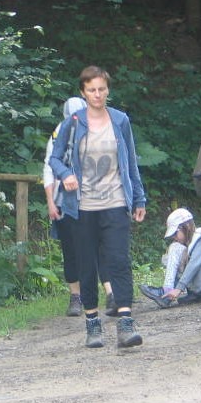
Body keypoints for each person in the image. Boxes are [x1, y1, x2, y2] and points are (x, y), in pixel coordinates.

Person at [49, 66, 147, 348]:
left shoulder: (120, 120)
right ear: (83, 92)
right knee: (87, 265)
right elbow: (54, 159)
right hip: (81, 207)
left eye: (102, 89)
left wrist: (139, 198)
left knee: (119, 261)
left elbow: (130, 162)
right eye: (91, 90)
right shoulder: (73, 123)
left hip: (115, 202)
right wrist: (65, 174)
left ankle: (126, 323)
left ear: (108, 90)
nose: (97, 94)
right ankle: (92, 323)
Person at [43, 96, 114, 317]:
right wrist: (51, 202)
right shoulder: (58, 134)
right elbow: (49, 169)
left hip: (94, 199)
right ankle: (76, 296)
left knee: (100, 246)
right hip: (66, 202)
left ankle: (110, 293)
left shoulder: (98, 128)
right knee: (71, 249)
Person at [139, 207, 201, 307]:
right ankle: (196, 294)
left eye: (175, 233)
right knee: (172, 253)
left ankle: (167, 292)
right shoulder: (193, 241)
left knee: (175, 248)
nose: (174, 237)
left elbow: (195, 264)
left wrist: (178, 288)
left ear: (186, 227)